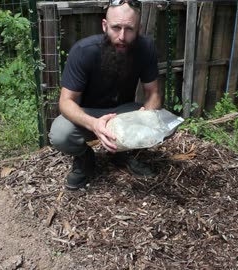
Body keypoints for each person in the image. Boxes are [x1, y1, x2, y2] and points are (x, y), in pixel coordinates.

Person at [49, 0, 161, 190]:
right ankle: (85, 158)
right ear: (104, 25)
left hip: (122, 114)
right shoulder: (83, 51)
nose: (122, 37)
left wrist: (147, 115)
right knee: (60, 134)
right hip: (89, 114)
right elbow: (66, 102)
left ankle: (124, 153)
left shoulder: (146, 48)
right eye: (116, 28)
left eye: (129, 29)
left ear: (139, 28)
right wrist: (94, 124)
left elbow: (154, 93)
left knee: (161, 122)